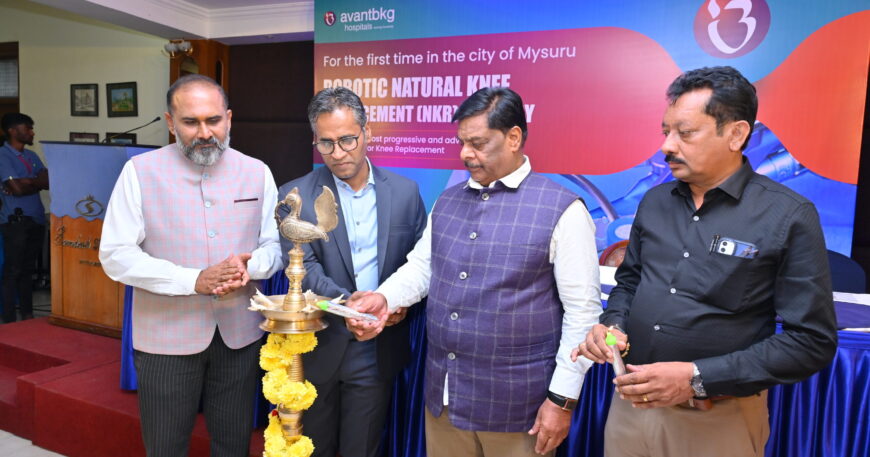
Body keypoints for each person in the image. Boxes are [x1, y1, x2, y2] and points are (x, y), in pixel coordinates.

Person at [573, 66, 838, 457]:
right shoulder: (655, 202)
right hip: (630, 410)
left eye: (685, 133)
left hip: (716, 420)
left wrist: (696, 378)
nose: (667, 145)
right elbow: (629, 284)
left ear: (736, 134)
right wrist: (612, 327)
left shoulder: (787, 215)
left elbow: (811, 341)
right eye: (666, 131)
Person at [348, 87, 602, 457]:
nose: (466, 154)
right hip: (445, 400)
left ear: (513, 137)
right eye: (462, 143)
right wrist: (384, 298)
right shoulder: (448, 200)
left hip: (520, 409)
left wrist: (561, 400)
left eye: (478, 143)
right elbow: (423, 267)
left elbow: (582, 313)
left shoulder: (563, 210)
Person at [99, 74, 283, 457]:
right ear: (170, 122)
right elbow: (116, 254)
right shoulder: (139, 172)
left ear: (228, 118)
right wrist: (192, 280)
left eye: (213, 120)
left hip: (239, 335)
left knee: (233, 444)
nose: (204, 133)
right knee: (166, 446)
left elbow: (274, 246)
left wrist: (252, 267)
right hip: (165, 336)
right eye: (190, 122)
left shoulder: (257, 171)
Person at [276, 86, 427, 457]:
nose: (338, 153)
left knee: (363, 448)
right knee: (315, 448)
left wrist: (393, 303)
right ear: (314, 140)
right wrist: (351, 307)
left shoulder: (406, 193)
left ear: (367, 133)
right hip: (318, 343)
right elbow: (303, 269)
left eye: (347, 140)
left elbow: (420, 263)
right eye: (326, 143)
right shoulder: (294, 196)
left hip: (376, 345)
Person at [0, 112, 49, 323]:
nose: (32, 132)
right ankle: (9, 320)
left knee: (28, 271)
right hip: (15, 222)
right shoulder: (3, 155)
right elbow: (17, 190)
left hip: (37, 219)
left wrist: (27, 182)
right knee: (13, 271)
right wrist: (32, 182)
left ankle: (28, 316)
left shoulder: (32, 156)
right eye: (27, 128)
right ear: (12, 131)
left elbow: (47, 181)